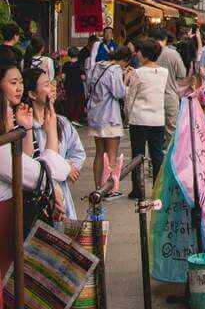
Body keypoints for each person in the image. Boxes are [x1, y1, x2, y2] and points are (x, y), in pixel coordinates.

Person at [0, 50, 68, 280]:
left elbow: (28, 163)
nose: (18, 88)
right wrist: (51, 132)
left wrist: (26, 129)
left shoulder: (12, 125)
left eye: (20, 82)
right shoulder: (3, 140)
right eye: (13, 83)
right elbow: (42, 172)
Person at [23, 66, 85, 219]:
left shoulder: (62, 123)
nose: (52, 88)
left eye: (51, 83)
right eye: (46, 85)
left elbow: (78, 153)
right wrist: (64, 167)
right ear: (32, 94)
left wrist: (70, 168)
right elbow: (29, 165)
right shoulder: (24, 127)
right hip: (39, 199)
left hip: (62, 195)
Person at [125, 39, 169, 198]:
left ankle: (138, 190)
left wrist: (127, 114)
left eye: (139, 52)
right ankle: (158, 189)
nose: (137, 54)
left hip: (139, 118)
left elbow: (130, 97)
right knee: (157, 155)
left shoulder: (138, 73)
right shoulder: (164, 72)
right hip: (157, 118)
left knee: (137, 155)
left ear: (145, 54)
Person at [86, 46, 130, 201]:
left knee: (99, 153)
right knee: (111, 154)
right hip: (110, 116)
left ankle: (98, 187)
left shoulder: (97, 66)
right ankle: (108, 189)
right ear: (124, 60)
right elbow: (119, 93)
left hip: (95, 115)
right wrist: (125, 79)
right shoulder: (115, 70)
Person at [154, 28, 189, 143]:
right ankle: (171, 154)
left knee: (155, 133)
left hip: (153, 96)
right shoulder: (173, 54)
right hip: (170, 96)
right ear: (165, 38)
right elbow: (182, 74)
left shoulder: (148, 53)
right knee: (172, 132)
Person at [61, 46, 85, 125]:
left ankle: (70, 119)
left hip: (68, 87)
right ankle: (76, 119)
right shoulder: (80, 64)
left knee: (70, 103)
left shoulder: (66, 64)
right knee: (79, 103)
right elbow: (83, 77)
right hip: (78, 87)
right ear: (78, 54)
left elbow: (63, 77)